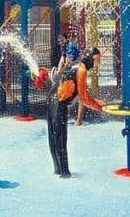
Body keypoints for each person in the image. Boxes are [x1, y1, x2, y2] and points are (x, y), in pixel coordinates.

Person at [47, 47, 105, 177]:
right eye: (97, 60)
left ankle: (57, 169)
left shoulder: (74, 64)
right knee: (61, 138)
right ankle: (65, 173)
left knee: (53, 137)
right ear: (91, 58)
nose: (98, 64)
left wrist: (95, 101)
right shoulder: (82, 70)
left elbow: (81, 93)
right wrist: (99, 107)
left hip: (50, 100)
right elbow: (83, 98)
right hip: (59, 104)